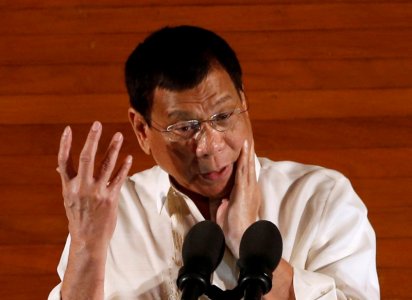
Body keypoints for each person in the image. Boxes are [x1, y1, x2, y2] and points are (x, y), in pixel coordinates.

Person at [49, 25, 379, 299]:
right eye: (185, 127)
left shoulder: (319, 198)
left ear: (244, 101)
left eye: (223, 116)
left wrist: (249, 240)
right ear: (142, 130)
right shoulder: (113, 215)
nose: (209, 145)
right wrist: (87, 248)